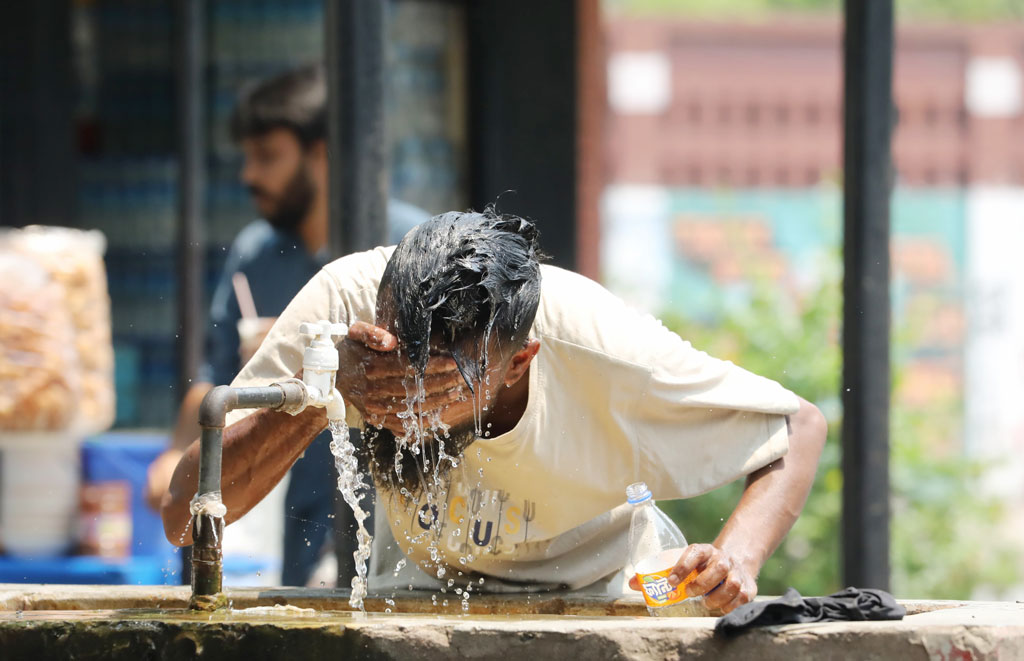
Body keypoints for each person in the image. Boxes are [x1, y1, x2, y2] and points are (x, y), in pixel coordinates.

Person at [161, 210, 827, 613]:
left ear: (519, 361)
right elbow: (183, 515)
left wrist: (738, 556)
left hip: (596, 595)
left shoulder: (605, 350)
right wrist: (323, 392)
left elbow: (797, 425)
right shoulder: (345, 307)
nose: (409, 406)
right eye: (396, 371)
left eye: (441, 385)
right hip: (417, 588)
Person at [144, 63, 427, 587]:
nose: (249, 175)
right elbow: (217, 378)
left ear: (320, 154)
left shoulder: (413, 248)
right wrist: (176, 455)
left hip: (402, 531)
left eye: (267, 157)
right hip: (298, 521)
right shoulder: (255, 256)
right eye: (247, 157)